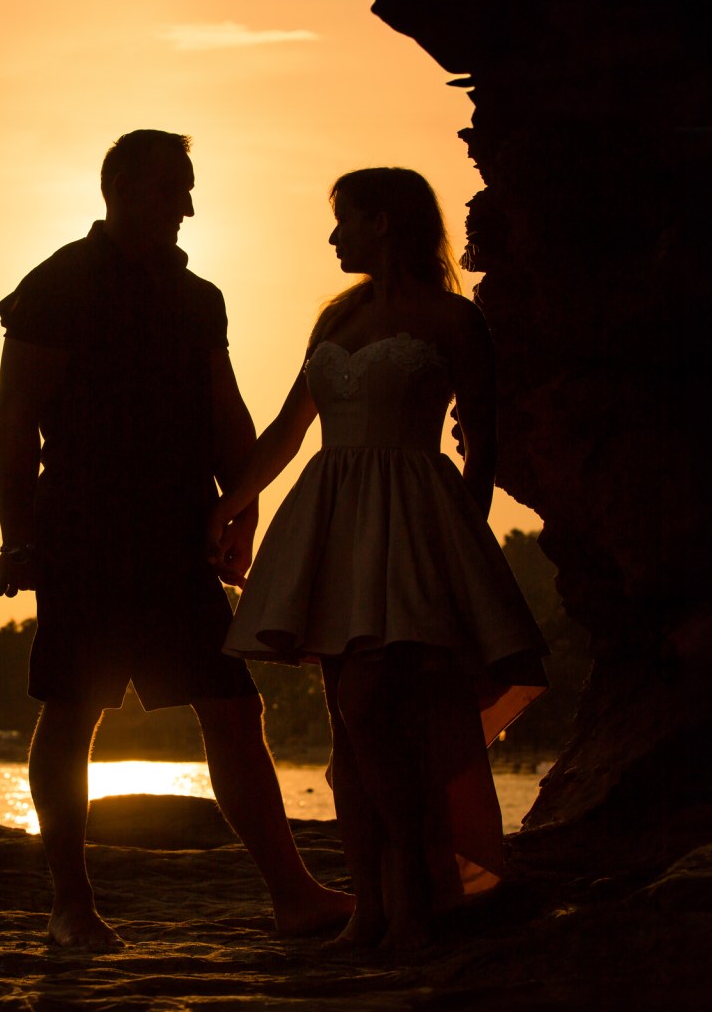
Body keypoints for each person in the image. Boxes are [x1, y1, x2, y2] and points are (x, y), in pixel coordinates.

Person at [0, 130, 353, 950]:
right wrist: (18, 540)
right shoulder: (55, 286)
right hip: (83, 528)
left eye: (189, 189)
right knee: (72, 706)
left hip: (178, 526)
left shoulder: (200, 297)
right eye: (170, 189)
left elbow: (225, 409)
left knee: (232, 705)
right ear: (119, 188)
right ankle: (71, 904)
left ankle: (293, 893)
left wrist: (242, 507)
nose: (187, 206)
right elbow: (14, 425)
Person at [207, 167, 547, 956]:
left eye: (345, 221)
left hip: (415, 527)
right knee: (349, 732)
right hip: (331, 525)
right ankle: (375, 911)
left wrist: (453, 548)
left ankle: (414, 900)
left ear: (384, 223)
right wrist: (226, 505)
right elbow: (291, 429)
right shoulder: (338, 316)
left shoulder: (454, 322)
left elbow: (483, 446)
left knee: (375, 714)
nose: (334, 237)